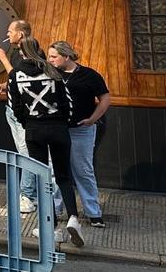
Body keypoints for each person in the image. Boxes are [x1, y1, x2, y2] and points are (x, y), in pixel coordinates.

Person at [8, 36, 83, 247]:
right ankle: (73, 219)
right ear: (39, 50)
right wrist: (63, 122)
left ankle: (49, 225)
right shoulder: (52, 71)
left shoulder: (15, 74)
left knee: (42, 178)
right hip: (58, 128)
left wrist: (28, 124)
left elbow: (15, 106)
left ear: (21, 53)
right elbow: (67, 101)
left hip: (34, 130)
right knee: (63, 176)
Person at [48, 41, 110, 229]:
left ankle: (93, 212)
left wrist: (93, 119)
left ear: (66, 56)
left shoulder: (88, 75)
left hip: (81, 130)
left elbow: (105, 98)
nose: (49, 60)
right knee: (55, 171)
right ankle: (54, 210)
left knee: (83, 170)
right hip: (57, 128)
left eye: (53, 56)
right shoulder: (50, 74)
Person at [0, 19, 40, 213]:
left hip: (23, 114)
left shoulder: (31, 54)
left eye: (11, 31)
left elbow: (21, 79)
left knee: (26, 153)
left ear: (21, 34)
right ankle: (28, 194)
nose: (8, 33)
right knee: (23, 152)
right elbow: (16, 77)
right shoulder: (18, 54)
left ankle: (28, 196)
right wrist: (4, 86)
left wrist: (3, 59)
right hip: (12, 109)